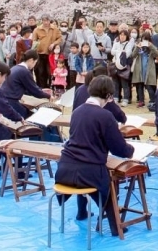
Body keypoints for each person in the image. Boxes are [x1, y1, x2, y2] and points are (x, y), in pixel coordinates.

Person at [55, 76, 135, 234]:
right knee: (107, 186)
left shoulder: (77, 112)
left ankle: (82, 211)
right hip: (89, 172)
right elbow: (119, 149)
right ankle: (115, 227)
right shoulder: (105, 116)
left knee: (90, 177)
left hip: (64, 169)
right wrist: (131, 149)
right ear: (109, 96)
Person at [2, 50, 52, 117]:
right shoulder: (24, 71)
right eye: (35, 62)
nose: (34, 65)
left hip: (4, 99)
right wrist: (48, 96)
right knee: (31, 117)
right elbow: (34, 91)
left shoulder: (15, 68)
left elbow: (27, 88)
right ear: (31, 60)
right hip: (11, 101)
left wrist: (41, 90)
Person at [131, 30, 158, 109]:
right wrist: (138, 47)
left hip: (148, 70)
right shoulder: (138, 46)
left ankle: (153, 100)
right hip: (139, 70)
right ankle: (141, 101)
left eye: (146, 39)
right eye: (143, 39)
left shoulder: (151, 47)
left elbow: (157, 54)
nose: (145, 41)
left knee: (149, 86)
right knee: (140, 86)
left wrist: (150, 46)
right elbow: (133, 55)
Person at [31, 15, 62, 89]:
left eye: (47, 21)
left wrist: (54, 44)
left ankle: (50, 86)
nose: (46, 23)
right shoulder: (37, 29)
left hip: (51, 53)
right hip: (40, 53)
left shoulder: (54, 29)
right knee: (40, 71)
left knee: (49, 71)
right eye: (44, 21)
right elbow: (34, 40)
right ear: (42, 21)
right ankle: (42, 87)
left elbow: (60, 38)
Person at [110, 29, 134, 104]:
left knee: (125, 83)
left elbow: (127, 54)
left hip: (124, 65)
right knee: (116, 82)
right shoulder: (116, 42)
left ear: (127, 36)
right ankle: (116, 97)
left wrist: (117, 52)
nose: (122, 36)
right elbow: (112, 52)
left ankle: (126, 99)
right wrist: (120, 52)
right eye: (121, 35)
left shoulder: (128, 44)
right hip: (115, 64)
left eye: (124, 35)